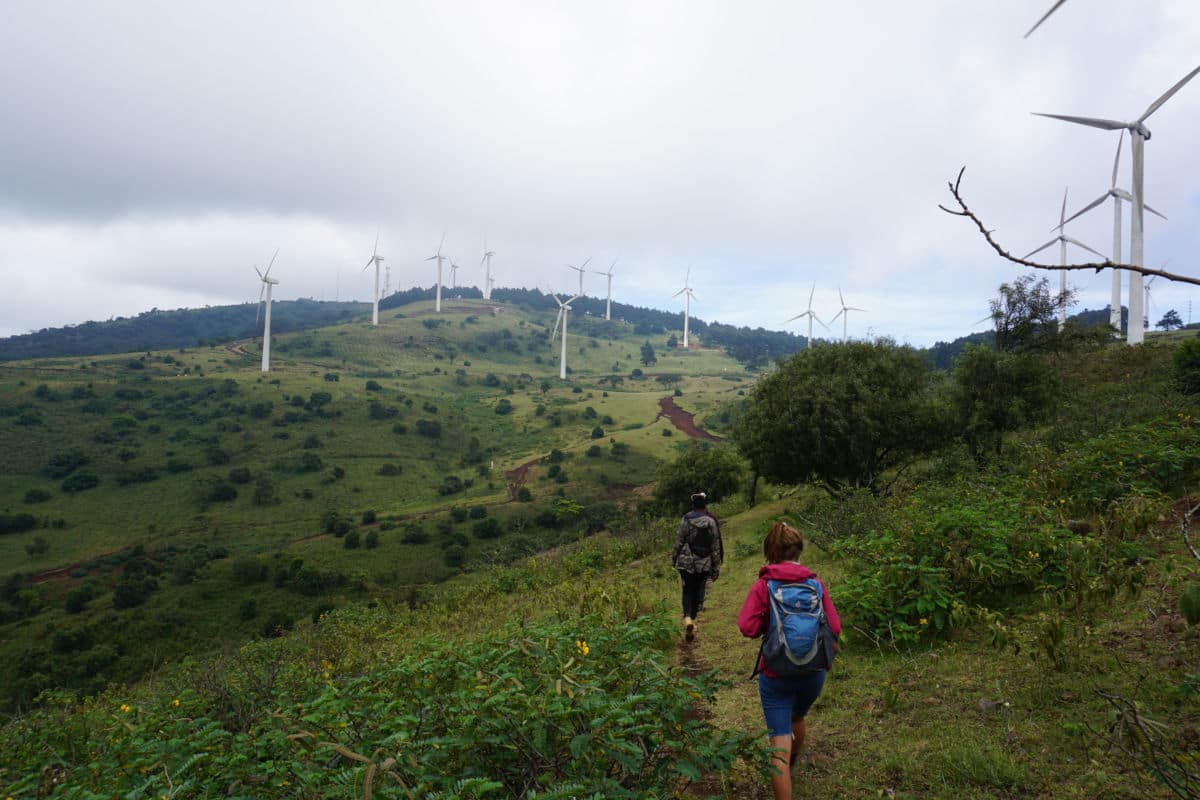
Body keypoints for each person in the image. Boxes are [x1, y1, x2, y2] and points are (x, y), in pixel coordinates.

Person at [737, 521, 841, 800]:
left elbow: (746, 627)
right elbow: (836, 627)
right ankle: (791, 768)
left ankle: (784, 775)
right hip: (813, 672)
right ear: (799, 551)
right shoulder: (815, 584)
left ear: (770, 553)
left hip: (775, 674)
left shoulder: (764, 585)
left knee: (778, 743)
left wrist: (769, 628)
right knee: (798, 716)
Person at [671, 491, 723, 641]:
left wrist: (674, 558)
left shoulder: (686, 519)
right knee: (699, 591)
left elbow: (679, 541)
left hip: (686, 563)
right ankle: (692, 618)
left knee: (687, 590)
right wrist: (716, 567)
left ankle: (688, 618)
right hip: (704, 564)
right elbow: (715, 547)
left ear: (693, 505)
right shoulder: (711, 522)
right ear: (705, 505)